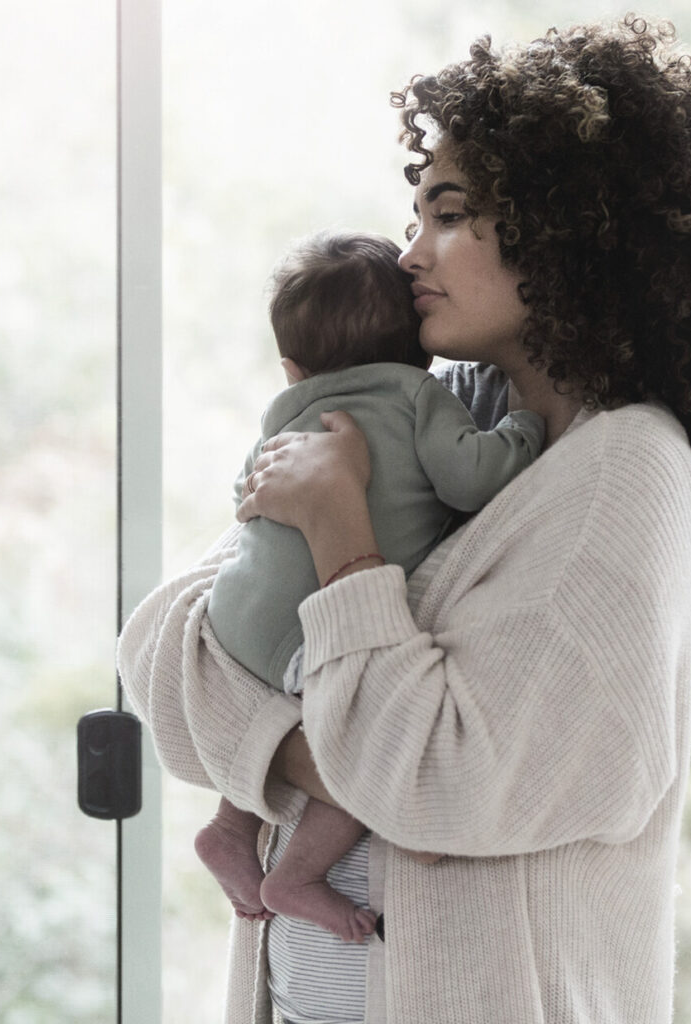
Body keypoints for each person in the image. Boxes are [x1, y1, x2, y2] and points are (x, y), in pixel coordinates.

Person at [118, 17, 691, 1024]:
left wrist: (340, 538)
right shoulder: (441, 408)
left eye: (447, 215)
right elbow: (163, 642)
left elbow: (443, 787)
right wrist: (329, 756)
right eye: (415, 216)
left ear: (573, 228)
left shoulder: (626, 475)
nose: (410, 254)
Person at [193, 229, 544, 941]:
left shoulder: (285, 411)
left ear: (293, 368)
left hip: (235, 614)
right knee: (358, 737)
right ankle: (297, 875)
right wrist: (523, 430)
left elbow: (246, 495)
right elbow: (470, 478)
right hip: (314, 627)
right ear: (422, 348)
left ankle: (230, 827)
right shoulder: (418, 394)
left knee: (277, 706)